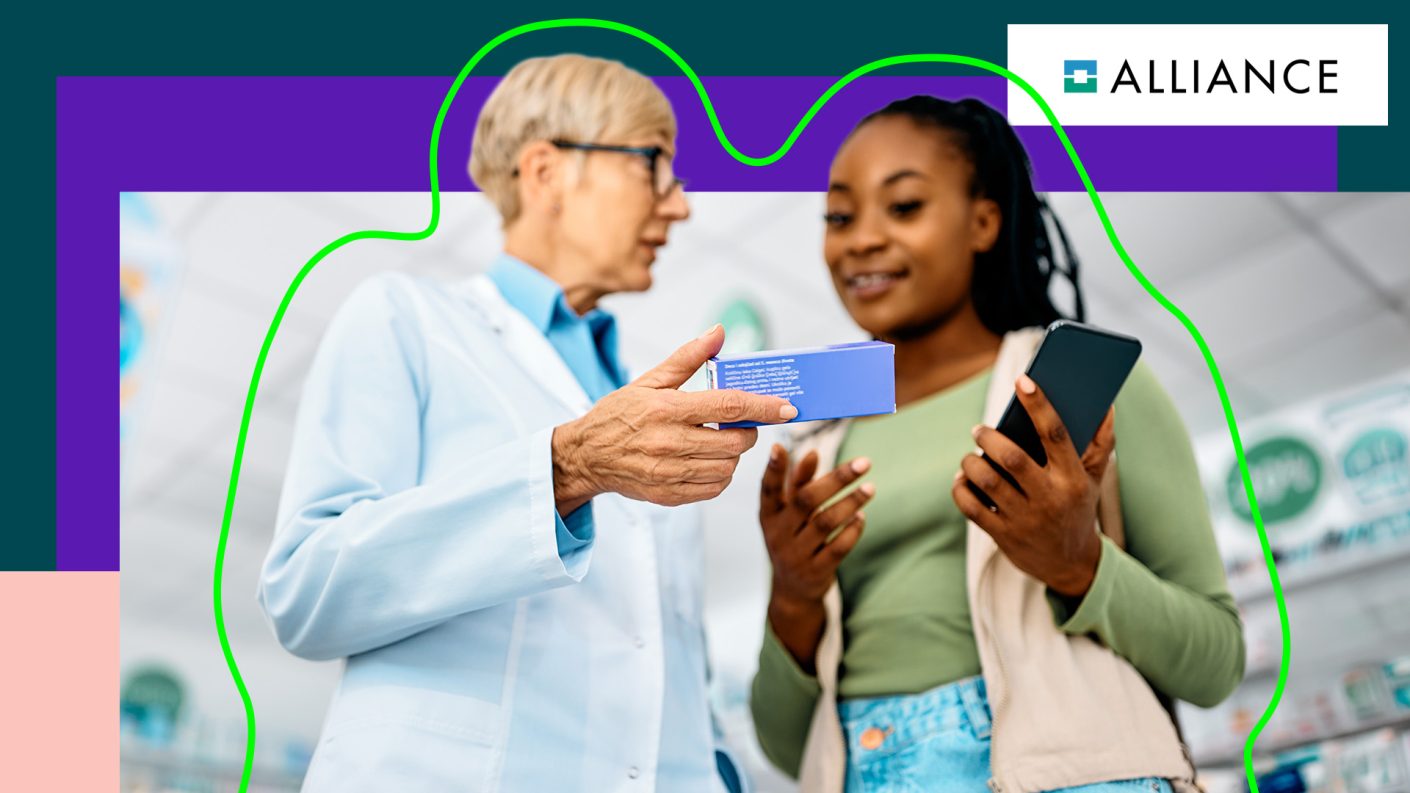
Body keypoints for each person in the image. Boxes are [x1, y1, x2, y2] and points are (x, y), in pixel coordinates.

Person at [258, 54, 795, 792]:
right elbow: (306, 589)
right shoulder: (407, 319)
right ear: (545, 173)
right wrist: (563, 468)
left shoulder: (639, 396)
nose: (680, 205)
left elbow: (665, 665)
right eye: (653, 164)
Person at [748, 96, 1245, 793]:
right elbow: (782, 744)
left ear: (984, 221)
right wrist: (793, 600)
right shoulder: (818, 444)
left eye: (904, 206)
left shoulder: (1082, 393)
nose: (859, 239)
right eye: (839, 216)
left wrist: (1080, 565)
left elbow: (1215, 663)